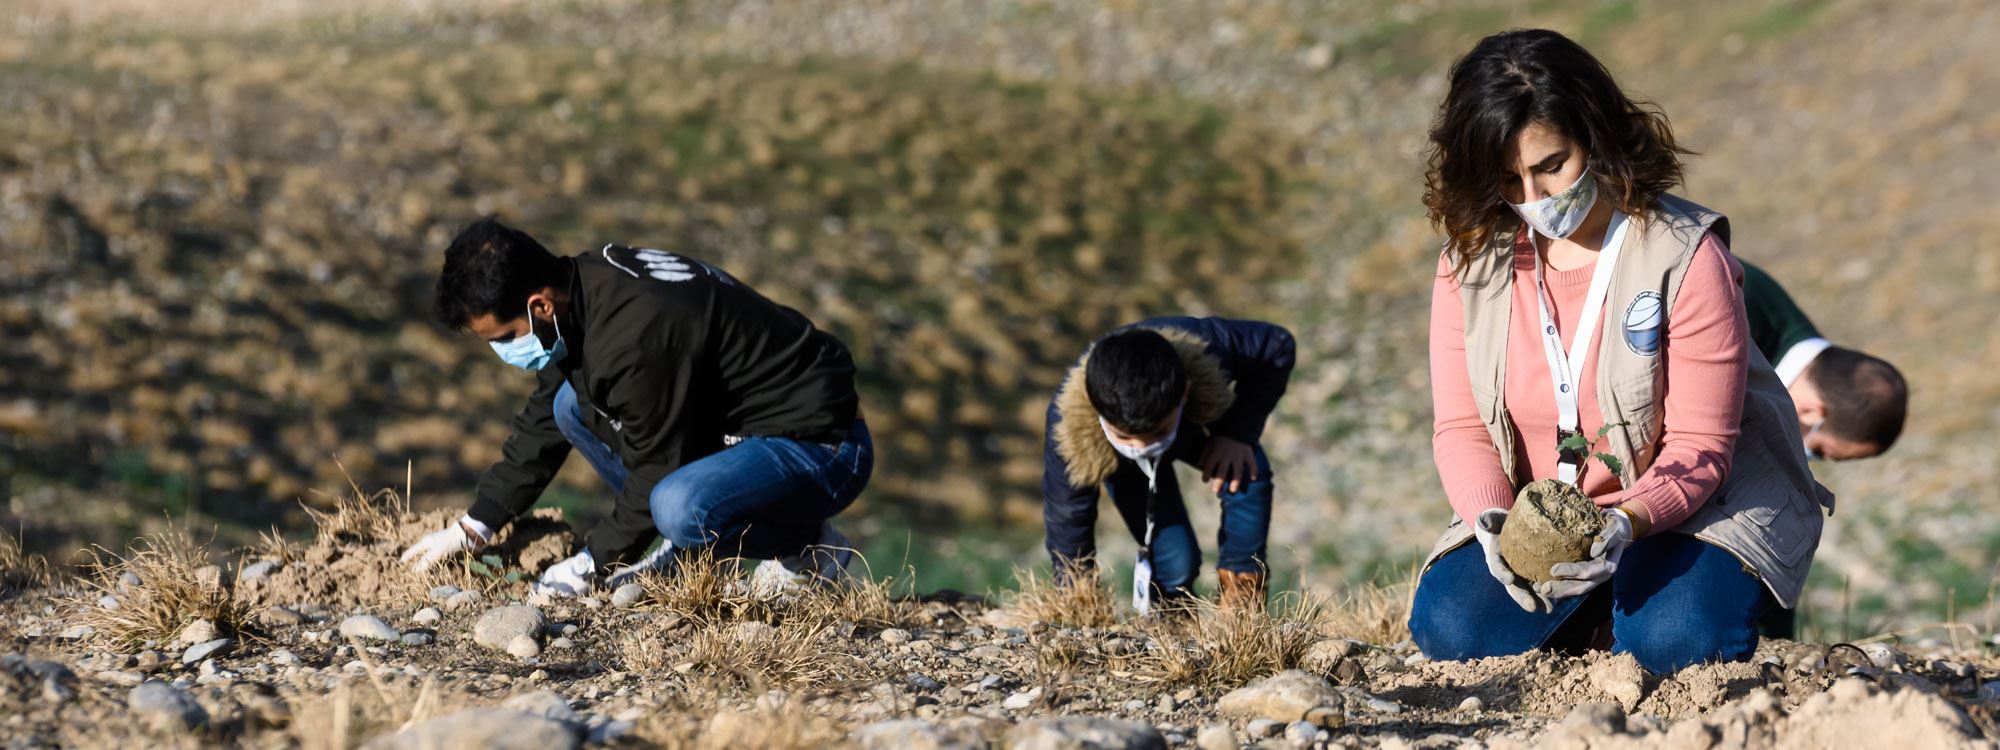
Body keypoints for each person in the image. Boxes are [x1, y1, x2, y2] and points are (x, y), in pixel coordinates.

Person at [1407, 29, 1833, 674]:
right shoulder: (1468, 263)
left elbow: (1701, 446)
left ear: (1596, 135)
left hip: (1696, 504)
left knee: (1676, 642)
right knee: (1452, 628)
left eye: (1552, 165)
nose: (1535, 200)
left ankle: (1644, 605)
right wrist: (1491, 516)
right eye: (1509, 179)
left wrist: (1628, 522)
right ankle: (1599, 612)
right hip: (1554, 512)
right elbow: (1462, 426)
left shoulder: (1685, 254)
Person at [399, 217, 873, 595]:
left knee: (678, 507)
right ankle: (693, 548)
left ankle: (809, 549)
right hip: (741, 429)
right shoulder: (585, 290)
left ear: (540, 306)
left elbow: (657, 466)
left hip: (821, 444)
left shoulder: (634, 336)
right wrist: (478, 523)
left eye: (505, 337)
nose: (502, 351)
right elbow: (544, 416)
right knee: (568, 405)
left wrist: (592, 563)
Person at [1042, 317, 1295, 612]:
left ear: (1184, 392)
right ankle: (1170, 616)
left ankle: (1241, 602)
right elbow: (1068, 516)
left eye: (1156, 434)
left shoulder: (1211, 349)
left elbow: (1279, 345)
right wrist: (1075, 594)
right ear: (1093, 402)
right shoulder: (1070, 430)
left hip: (1196, 421)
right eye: (1126, 437)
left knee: (1247, 471)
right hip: (1120, 462)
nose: (1141, 447)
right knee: (1177, 562)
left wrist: (1237, 434)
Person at [1740, 259, 1907, 640]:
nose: (1812, 459)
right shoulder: (1738, 307)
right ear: (1813, 412)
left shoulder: (1781, 338)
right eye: (1821, 450)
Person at [1740, 259, 1908, 462]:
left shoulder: (1767, 314)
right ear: (1811, 413)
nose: (1808, 458)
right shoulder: (1736, 325)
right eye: (1818, 450)